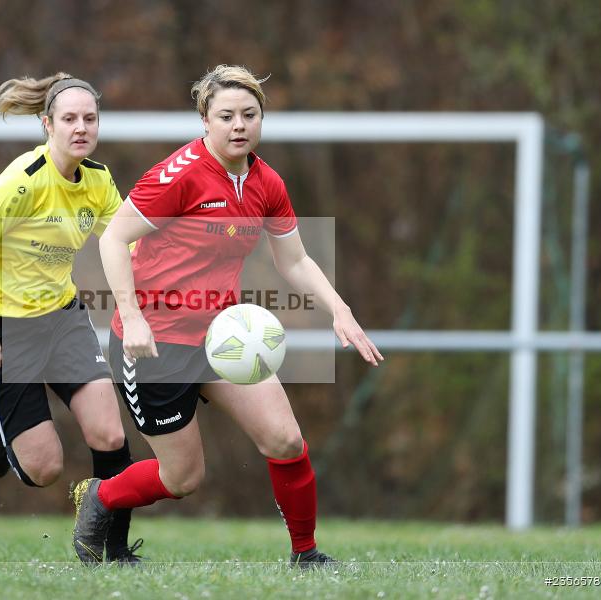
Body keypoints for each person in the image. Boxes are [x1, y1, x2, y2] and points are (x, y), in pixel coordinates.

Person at [71, 65, 384, 568]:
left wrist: (340, 311)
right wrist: (132, 316)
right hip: (154, 344)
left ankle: (306, 556)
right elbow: (113, 238)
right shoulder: (179, 175)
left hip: (223, 338)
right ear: (205, 121)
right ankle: (100, 498)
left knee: (285, 439)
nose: (239, 125)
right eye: (226, 116)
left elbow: (296, 261)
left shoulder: (267, 183)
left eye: (249, 114)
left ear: (261, 118)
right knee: (183, 479)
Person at [0, 73, 142, 563]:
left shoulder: (96, 180)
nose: (81, 128)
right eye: (69, 119)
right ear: (46, 123)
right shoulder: (20, 183)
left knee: (110, 435)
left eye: (89, 118)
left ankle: (109, 548)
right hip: (2, 329)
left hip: (62, 318)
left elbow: (128, 242)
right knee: (45, 469)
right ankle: (2, 433)